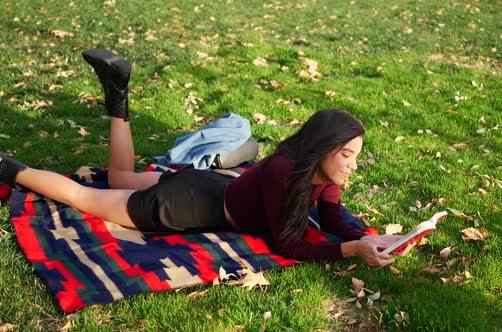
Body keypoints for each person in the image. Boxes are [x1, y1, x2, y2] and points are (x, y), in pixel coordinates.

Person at [0, 48, 410, 267]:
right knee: (82, 196)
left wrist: (366, 237)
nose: (354, 164)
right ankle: (8, 168)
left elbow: (334, 217)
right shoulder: (286, 173)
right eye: (348, 154)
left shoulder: (316, 169)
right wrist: (351, 250)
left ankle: (117, 92)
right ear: (324, 149)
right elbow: (287, 244)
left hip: (212, 185)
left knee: (120, 176)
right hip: (185, 204)